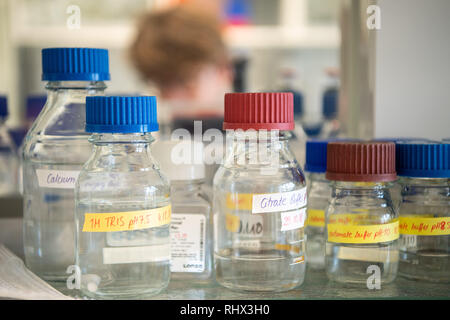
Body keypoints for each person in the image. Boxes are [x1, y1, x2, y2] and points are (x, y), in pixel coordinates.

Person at [129, 3, 233, 138]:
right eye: (163, 84)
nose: (173, 97)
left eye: (187, 82)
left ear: (223, 70)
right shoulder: (151, 138)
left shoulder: (249, 139)